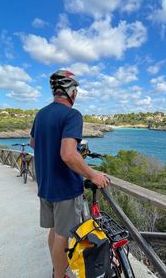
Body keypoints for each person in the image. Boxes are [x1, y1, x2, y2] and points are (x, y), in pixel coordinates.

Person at [29, 70, 111, 278]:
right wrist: (93, 175)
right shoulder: (72, 115)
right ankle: (59, 275)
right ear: (71, 91)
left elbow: (33, 143)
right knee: (63, 236)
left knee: (55, 232)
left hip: (45, 185)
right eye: (76, 90)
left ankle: (56, 268)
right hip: (64, 188)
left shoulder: (41, 114)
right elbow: (68, 154)